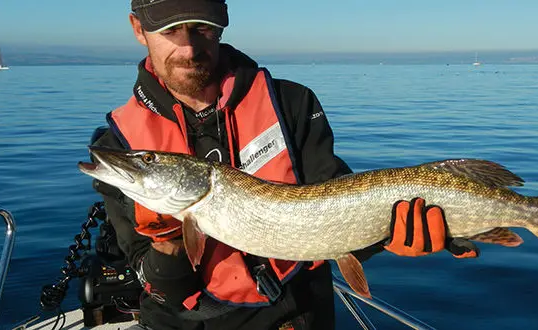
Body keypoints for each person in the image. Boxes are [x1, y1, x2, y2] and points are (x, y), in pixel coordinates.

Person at [89, 1, 480, 329]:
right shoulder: (118, 144)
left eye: (202, 29)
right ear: (138, 28)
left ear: (222, 23)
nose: (189, 48)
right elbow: (158, 284)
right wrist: (168, 246)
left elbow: (337, 217)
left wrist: (386, 237)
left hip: (294, 314)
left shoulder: (292, 103)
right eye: (170, 30)